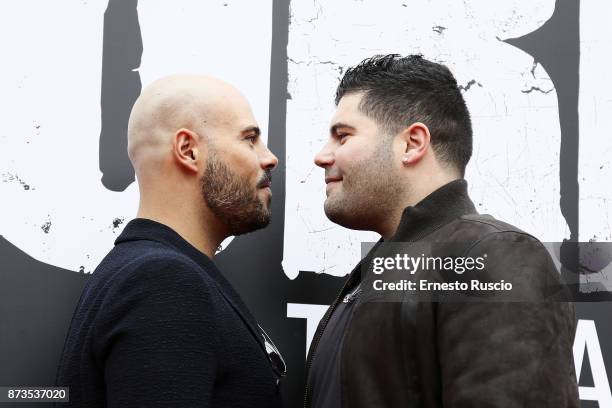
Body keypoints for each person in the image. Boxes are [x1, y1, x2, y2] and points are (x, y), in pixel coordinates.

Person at [306, 54, 579, 407]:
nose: (322, 156)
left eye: (342, 137)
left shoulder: (490, 255)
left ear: (412, 143)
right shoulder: (378, 271)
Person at [55, 75, 285, 407]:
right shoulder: (163, 282)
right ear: (188, 150)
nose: (269, 158)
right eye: (249, 139)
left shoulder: (141, 271)